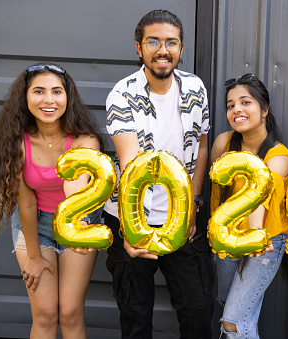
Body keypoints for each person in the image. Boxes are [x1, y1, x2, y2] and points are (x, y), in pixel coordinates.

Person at [0, 63, 104, 339]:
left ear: (67, 97)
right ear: (25, 97)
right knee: (45, 315)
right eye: (39, 91)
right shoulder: (16, 143)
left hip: (77, 222)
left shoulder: (85, 141)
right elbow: (27, 204)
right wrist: (33, 256)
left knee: (69, 313)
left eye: (57, 91)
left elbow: (77, 193)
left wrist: (76, 228)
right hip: (35, 226)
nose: (49, 100)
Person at [103, 9, 214, 338]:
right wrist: (128, 229)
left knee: (199, 313)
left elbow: (203, 148)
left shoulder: (195, 87)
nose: (162, 50)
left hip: (183, 218)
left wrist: (192, 203)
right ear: (139, 48)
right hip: (134, 216)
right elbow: (131, 165)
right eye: (153, 41)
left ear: (181, 49)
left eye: (171, 42)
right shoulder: (121, 95)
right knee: (135, 318)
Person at [210, 73, 288, 338]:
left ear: (264, 110)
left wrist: (254, 238)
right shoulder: (223, 144)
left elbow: (257, 201)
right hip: (227, 240)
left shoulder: (278, 156)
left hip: (264, 245)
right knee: (233, 317)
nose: (237, 109)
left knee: (234, 322)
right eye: (230, 105)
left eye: (245, 102)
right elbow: (217, 192)